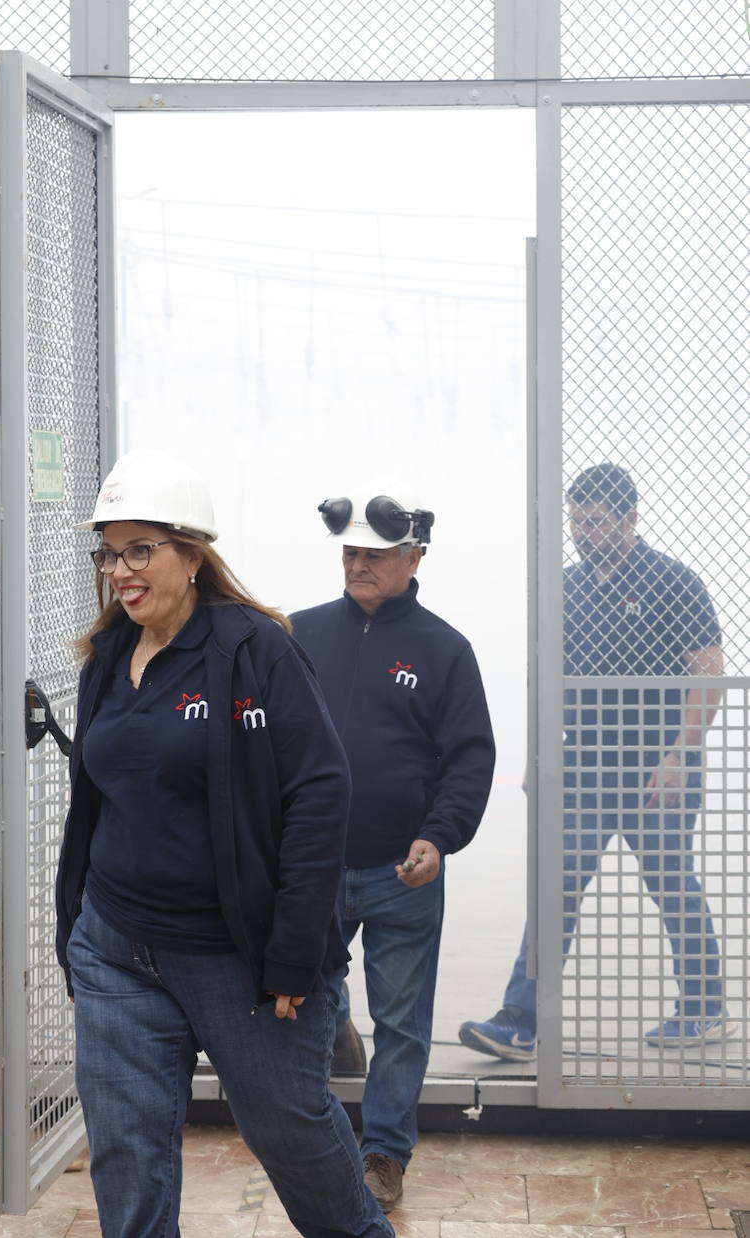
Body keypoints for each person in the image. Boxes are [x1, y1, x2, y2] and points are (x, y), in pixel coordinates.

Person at [55, 450, 395, 1238]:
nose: (119, 570)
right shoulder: (108, 657)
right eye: (109, 550)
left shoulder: (255, 650)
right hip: (116, 951)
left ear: (193, 553)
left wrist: (294, 949)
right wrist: (75, 933)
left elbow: (319, 793)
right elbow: (96, 802)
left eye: (140, 549)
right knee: (126, 1155)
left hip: (236, 959)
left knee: (290, 1133)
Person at [459, 462, 732, 1061]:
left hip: (658, 772)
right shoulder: (566, 587)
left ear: (630, 519)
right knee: (554, 888)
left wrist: (681, 754)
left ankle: (705, 1008)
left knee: (671, 883)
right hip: (581, 771)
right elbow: (546, 681)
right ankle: (521, 1020)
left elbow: (707, 675)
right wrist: (537, 754)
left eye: (595, 521)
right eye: (576, 521)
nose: (582, 532)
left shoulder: (673, 582)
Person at [291, 485, 495, 1213]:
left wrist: (438, 838)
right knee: (305, 994)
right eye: (349, 553)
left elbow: (469, 760)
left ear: (414, 557)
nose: (358, 565)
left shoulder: (444, 650)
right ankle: (323, 1105)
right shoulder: (300, 634)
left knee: (404, 1019)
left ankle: (383, 1156)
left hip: (402, 871)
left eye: (374, 555)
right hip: (312, 865)